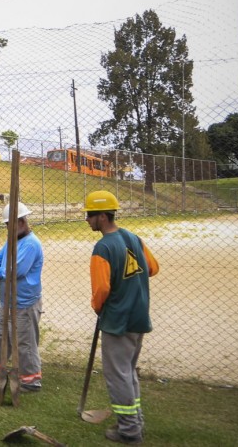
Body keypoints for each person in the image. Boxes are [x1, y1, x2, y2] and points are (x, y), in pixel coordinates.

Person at [85, 190, 160, 445]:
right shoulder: (133, 238)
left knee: (117, 375)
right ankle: (135, 421)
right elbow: (152, 268)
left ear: (103, 217)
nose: (87, 220)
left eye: (91, 215)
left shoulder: (102, 247)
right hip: (138, 315)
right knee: (128, 372)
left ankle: (129, 430)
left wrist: (98, 307)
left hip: (117, 321)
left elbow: (102, 290)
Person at [0, 202, 45, 391]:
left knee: (24, 342)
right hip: (8, 302)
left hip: (24, 304)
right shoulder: (12, 240)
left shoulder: (31, 244)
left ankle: (31, 381)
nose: (7, 229)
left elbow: (15, 270)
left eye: (8, 225)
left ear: (20, 222)